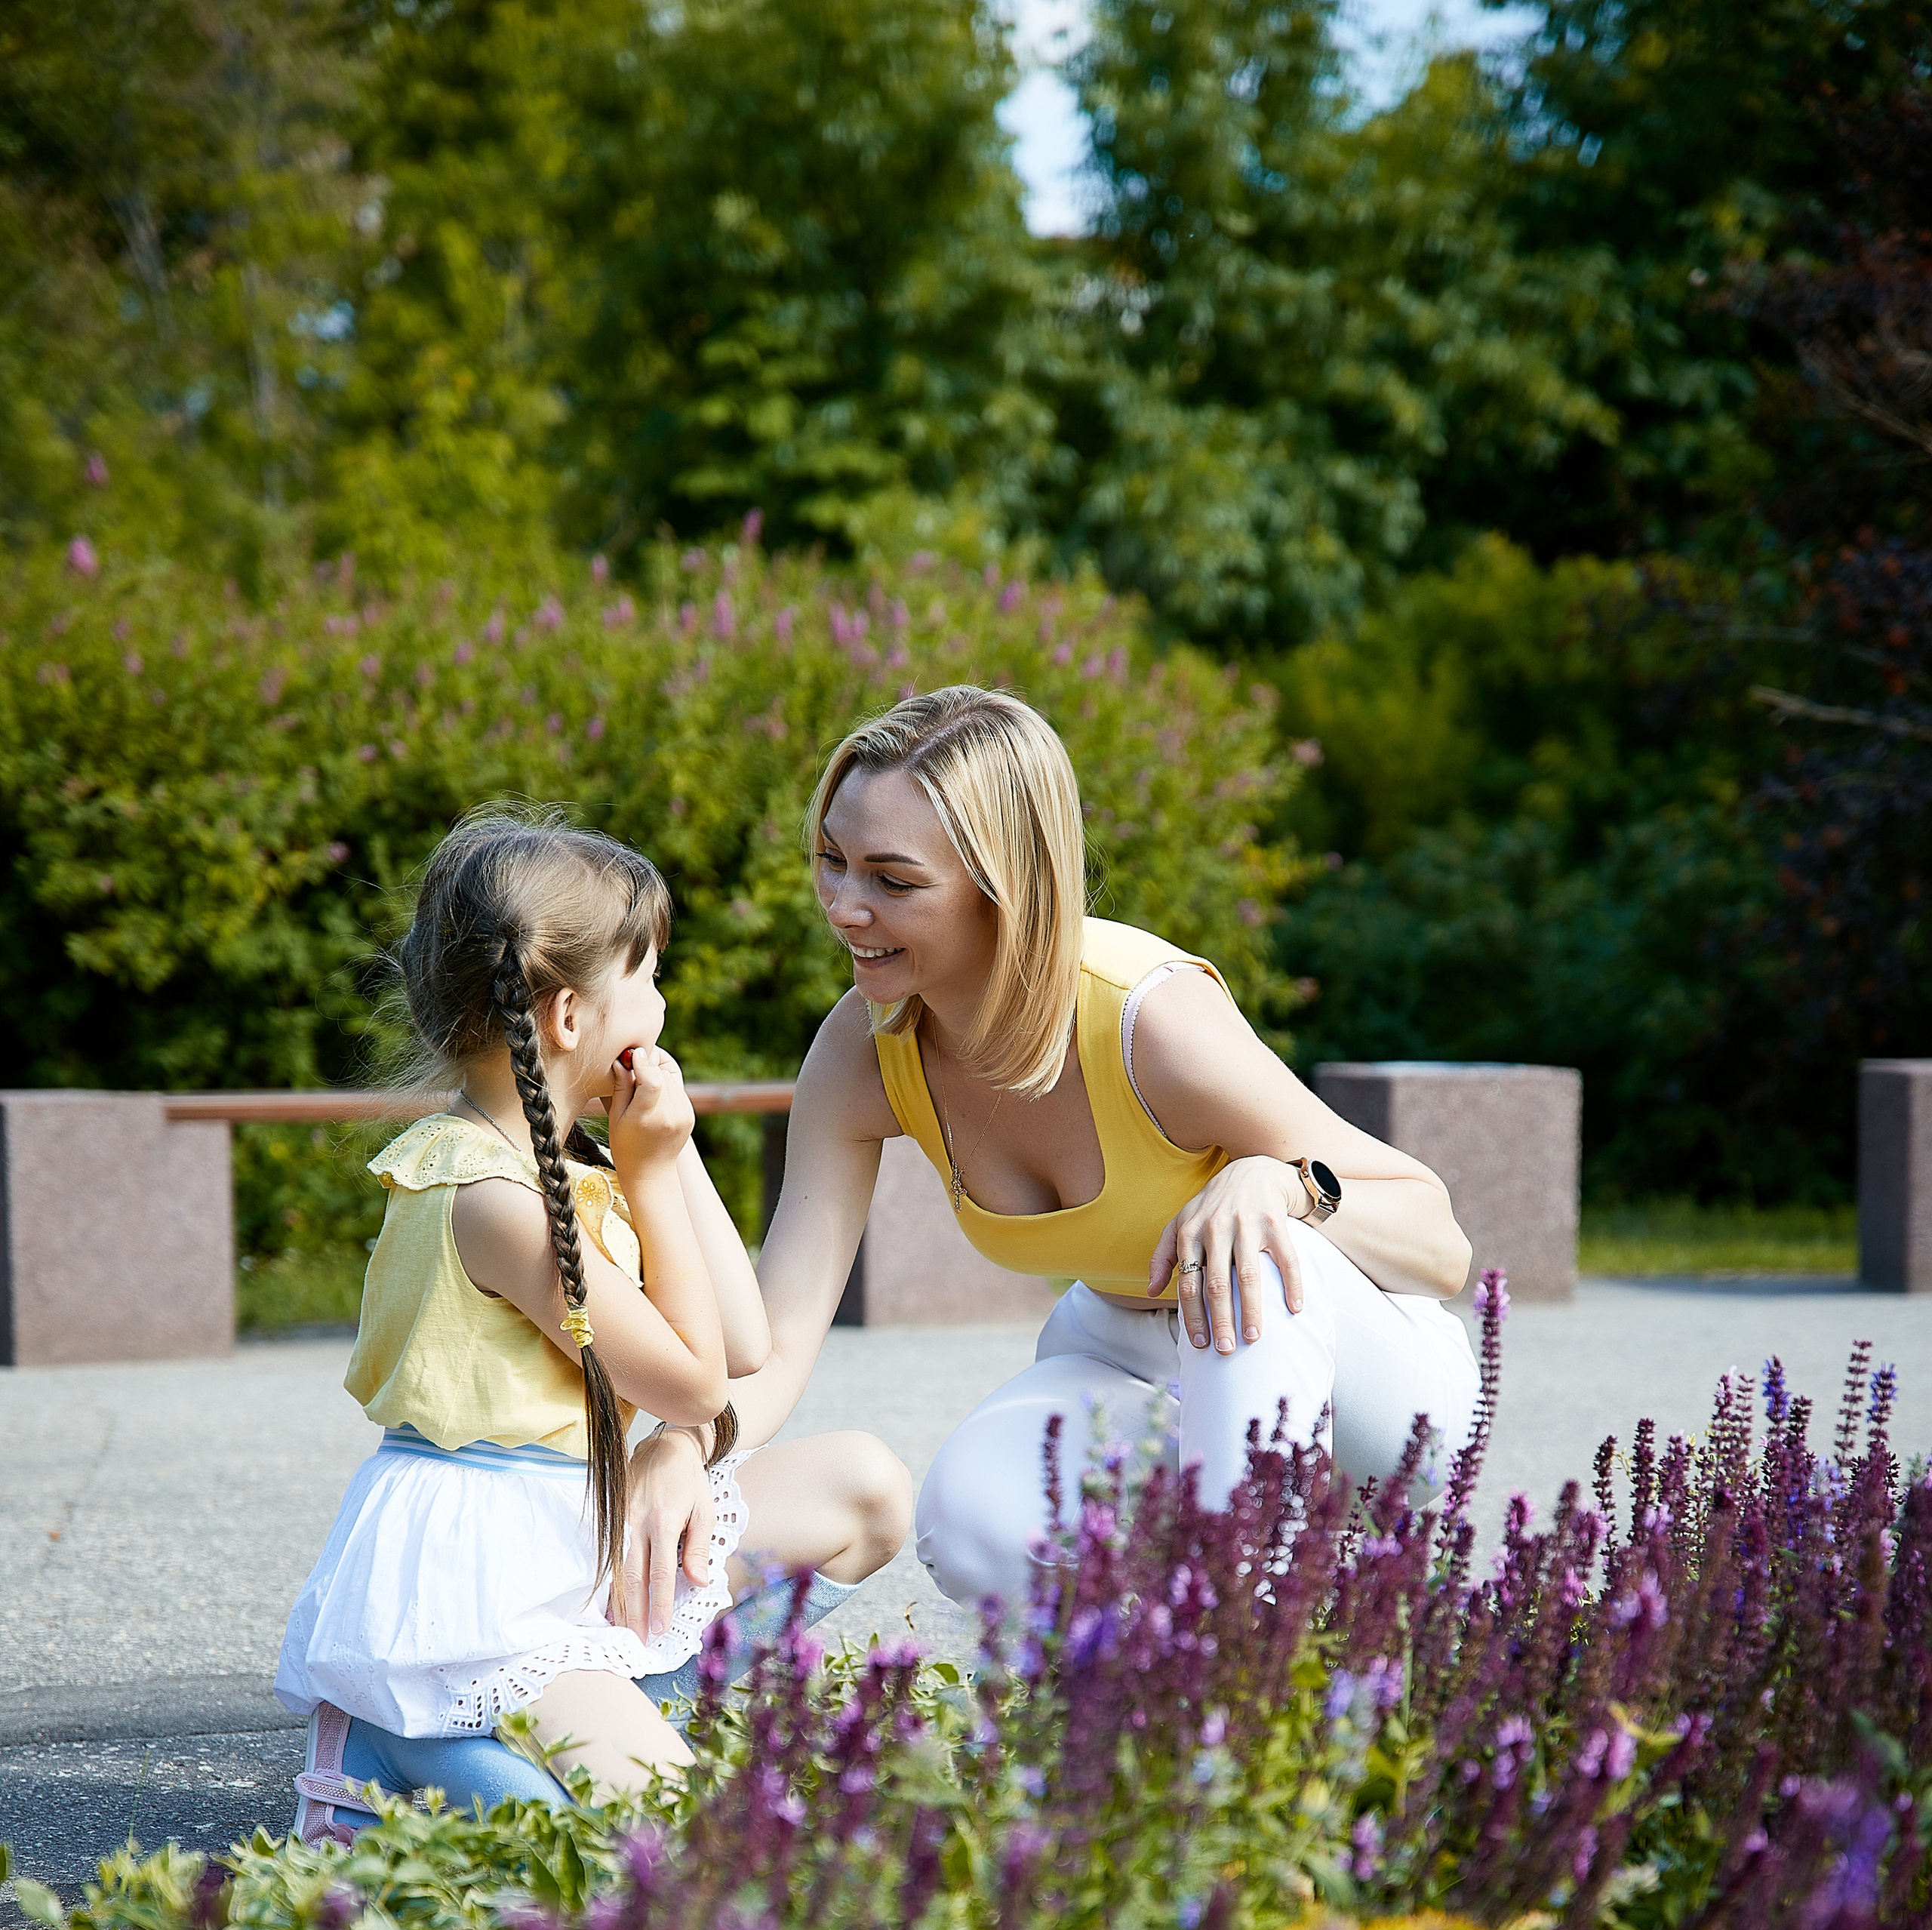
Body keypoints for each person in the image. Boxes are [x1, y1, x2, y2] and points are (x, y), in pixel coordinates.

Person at [623, 686, 1478, 1624]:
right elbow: (777, 1341)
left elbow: (1440, 1243)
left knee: (1249, 1265)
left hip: (1373, 1384)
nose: (845, 907)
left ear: (1009, 884)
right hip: (1140, 1355)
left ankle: (1240, 1658)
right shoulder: (861, 1051)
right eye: (832, 862)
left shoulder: (1147, 1019)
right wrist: (679, 1443)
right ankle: (1167, 1653)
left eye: (893, 880)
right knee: (974, 1516)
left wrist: (1279, 1184)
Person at [278, 808, 909, 1844]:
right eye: (650, 977)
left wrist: (671, 1150)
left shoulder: (562, 1169)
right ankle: (395, 1748)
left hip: (578, 1531)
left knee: (867, 1487)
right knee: (694, 1842)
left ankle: (604, 1724)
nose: (661, 1005)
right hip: (494, 1593)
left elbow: (744, 1340)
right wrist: (652, 1173)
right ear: (571, 1017)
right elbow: (698, 1390)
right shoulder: (493, 1198)